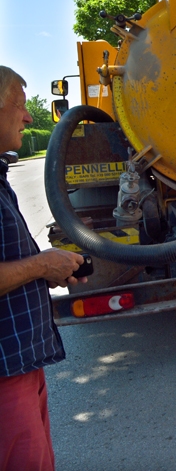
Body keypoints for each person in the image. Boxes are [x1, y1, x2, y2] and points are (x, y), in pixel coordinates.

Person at [0, 66, 86, 471]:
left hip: (20, 362)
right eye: (19, 105)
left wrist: (47, 269)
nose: (29, 116)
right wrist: (41, 264)